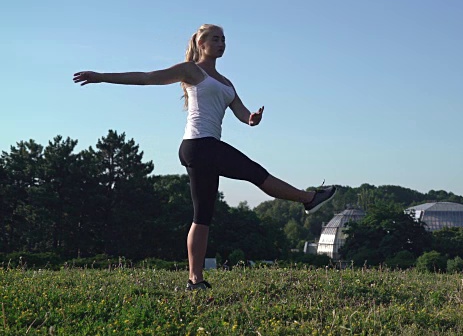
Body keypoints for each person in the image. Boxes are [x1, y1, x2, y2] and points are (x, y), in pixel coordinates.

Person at [73, 24, 336, 291]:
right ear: (201, 44)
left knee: (203, 215)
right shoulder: (191, 71)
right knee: (256, 173)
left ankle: (194, 280)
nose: (221, 43)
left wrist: (252, 119)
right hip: (199, 144)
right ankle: (308, 198)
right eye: (215, 39)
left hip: (205, 148)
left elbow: (242, 113)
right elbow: (147, 76)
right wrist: (102, 76)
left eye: (224, 39)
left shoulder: (226, 83)